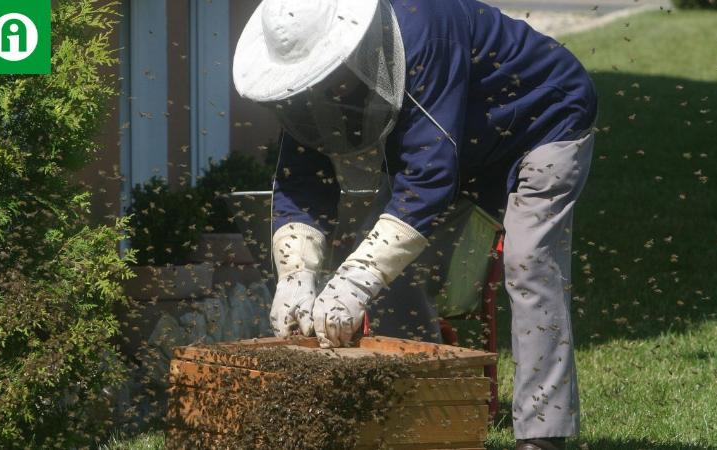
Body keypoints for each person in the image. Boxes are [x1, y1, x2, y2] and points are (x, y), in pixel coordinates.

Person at [233, 0, 597, 448]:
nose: (324, 88)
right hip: (455, 142)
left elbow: (428, 179)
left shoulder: (425, 32)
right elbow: (302, 181)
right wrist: (295, 274)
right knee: (393, 279)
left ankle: (542, 436)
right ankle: (423, 419)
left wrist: (355, 280)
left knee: (530, 264)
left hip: (543, 119)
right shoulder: (310, 84)